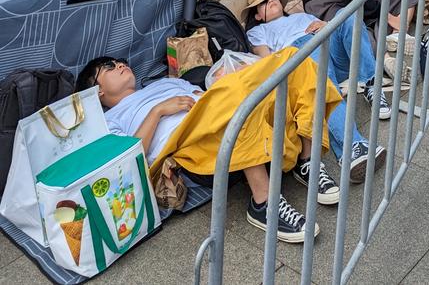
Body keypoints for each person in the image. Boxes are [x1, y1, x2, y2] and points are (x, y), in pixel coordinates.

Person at [76, 55, 341, 243]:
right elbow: (129, 157)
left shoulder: (165, 83)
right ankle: (264, 205)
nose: (120, 64)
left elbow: (208, 95)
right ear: (97, 91)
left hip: (214, 110)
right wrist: (158, 111)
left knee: (296, 61)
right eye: (109, 66)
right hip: (189, 145)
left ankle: (307, 159)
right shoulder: (110, 121)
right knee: (233, 97)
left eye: (119, 61)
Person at [244, 0, 389, 182]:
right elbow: (266, 59)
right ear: (258, 16)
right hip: (299, 52)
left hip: (326, 43)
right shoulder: (258, 31)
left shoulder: (302, 17)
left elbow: (331, 26)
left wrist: (326, 25)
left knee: (346, 14)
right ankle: (353, 147)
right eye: (262, 3)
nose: (270, 1)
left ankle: (372, 84)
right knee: (321, 73)